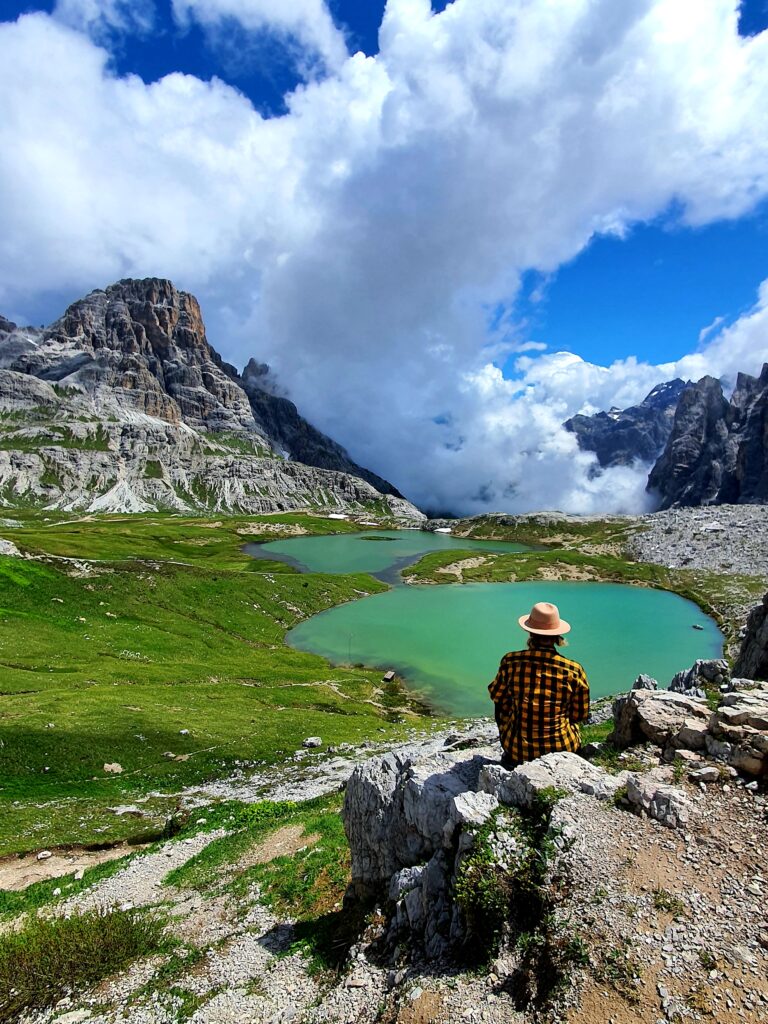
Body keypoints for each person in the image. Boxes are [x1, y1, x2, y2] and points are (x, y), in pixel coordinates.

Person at [488, 601, 590, 769]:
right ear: (557, 636)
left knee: (501, 703)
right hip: (563, 748)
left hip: (517, 750)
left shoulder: (511, 661)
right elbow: (579, 714)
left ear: (529, 632)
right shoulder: (573, 670)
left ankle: (511, 745)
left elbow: (498, 698)